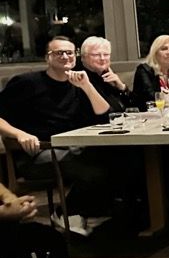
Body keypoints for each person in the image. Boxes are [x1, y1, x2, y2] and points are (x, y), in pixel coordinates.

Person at [0, 36, 112, 231]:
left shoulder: (78, 83)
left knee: (118, 158)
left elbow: (104, 116)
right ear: (47, 58)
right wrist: (18, 134)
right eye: (58, 52)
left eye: (69, 52)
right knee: (93, 168)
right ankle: (66, 214)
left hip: (73, 148)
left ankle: (84, 212)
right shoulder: (27, 83)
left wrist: (86, 86)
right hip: (36, 153)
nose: (65, 56)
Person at [78, 36, 138, 112]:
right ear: (83, 57)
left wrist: (121, 87)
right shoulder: (79, 80)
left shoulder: (107, 76)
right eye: (96, 55)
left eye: (106, 54)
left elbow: (136, 107)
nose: (102, 58)